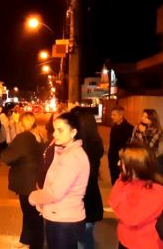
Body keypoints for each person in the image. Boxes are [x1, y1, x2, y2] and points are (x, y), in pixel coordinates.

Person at [29, 112, 90, 249]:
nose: (55, 134)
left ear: (73, 132)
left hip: (64, 221)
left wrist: (33, 197)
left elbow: (54, 193)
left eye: (60, 130)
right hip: (60, 215)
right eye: (55, 129)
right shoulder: (66, 152)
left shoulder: (72, 157)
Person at [108, 142, 163, 249]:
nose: (118, 164)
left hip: (144, 244)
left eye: (122, 161)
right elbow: (111, 201)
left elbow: (131, 219)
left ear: (135, 165)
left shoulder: (156, 191)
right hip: (125, 240)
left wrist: (120, 200)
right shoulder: (125, 180)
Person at [1, 112, 45, 249]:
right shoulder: (39, 135)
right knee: (33, 215)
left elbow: (6, 157)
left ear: (21, 123)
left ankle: (36, 244)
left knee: (32, 216)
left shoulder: (23, 137)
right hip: (36, 182)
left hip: (27, 184)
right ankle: (28, 238)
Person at [71, 107, 104, 249]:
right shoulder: (96, 141)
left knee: (82, 239)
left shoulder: (80, 147)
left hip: (82, 199)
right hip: (91, 196)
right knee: (87, 235)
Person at [108, 106, 134, 185]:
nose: (111, 117)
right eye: (111, 114)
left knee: (122, 180)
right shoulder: (113, 127)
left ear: (121, 116)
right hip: (112, 157)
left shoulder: (130, 128)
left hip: (123, 157)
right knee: (114, 179)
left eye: (114, 115)